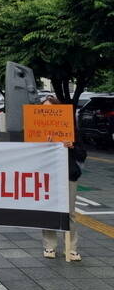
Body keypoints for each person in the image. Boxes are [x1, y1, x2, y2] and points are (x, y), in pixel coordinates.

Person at [41, 95, 86, 261]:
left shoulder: (71, 130)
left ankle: (71, 248)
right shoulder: (36, 131)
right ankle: (49, 246)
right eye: (44, 110)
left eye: (52, 110)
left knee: (70, 213)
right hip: (46, 175)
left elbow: (83, 154)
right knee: (48, 211)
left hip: (68, 174)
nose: (48, 113)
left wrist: (71, 145)